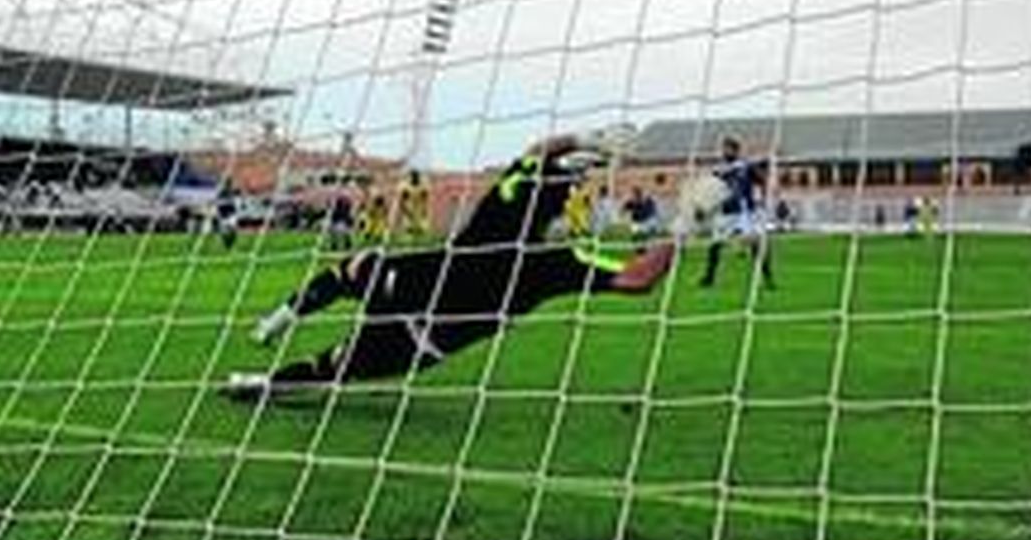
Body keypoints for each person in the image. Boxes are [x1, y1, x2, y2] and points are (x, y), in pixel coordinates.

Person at [225, 135, 676, 399]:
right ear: (564, 203)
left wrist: (580, 142)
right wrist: (681, 231)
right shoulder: (559, 263)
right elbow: (640, 279)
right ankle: (261, 380)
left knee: (350, 271)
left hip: (412, 286)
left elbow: (540, 152)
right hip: (426, 338)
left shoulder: (504, 202)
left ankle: (275, 324)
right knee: (332, 367)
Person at [698, 135, 775, 290]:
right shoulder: (718, 170)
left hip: (745, 211)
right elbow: (712, 191)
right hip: (726, 212)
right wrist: (703, 208)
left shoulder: (746, 166)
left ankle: (767, 278)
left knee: (757, 244)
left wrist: (764, 196)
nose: (724, 151)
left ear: (735, 150)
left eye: (727, 148)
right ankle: (709, 277)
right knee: (715, 245)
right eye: (723, 148)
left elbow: (762, 181)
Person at [396, 169, 431, 241]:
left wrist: (425, 209)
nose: (415, 179)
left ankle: (423, 240)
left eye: (417, 177)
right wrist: (406, 211)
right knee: (408, 227)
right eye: (413, 177)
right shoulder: (405, 185)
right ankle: (408, 240)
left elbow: (426, 198)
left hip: (420, 205)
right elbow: (401, 201)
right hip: (409, 205)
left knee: (422, 227)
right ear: (410, 177)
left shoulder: (424, 183)